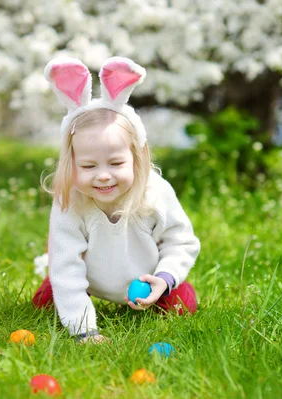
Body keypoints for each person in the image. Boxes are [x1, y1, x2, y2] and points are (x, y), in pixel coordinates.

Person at [32, 57, 200, 343]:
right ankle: (70, 302)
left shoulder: (155, 192)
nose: (103, 176)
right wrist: (84, 329)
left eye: (115, 163)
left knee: (184, 305)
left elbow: (180, 241)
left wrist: (165, 277)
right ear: (70, 164)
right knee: (50, 299)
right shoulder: (70, 203)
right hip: (91, 280)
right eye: (88, 167)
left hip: (148, 280)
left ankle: (165, 289)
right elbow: (66, 263)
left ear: (137, 158)